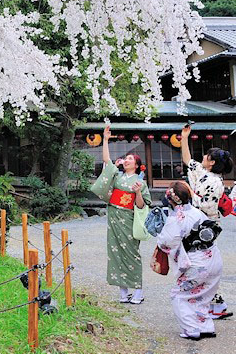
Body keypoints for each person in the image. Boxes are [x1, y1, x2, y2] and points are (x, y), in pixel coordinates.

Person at [155, 181, 223, 341]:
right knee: (203, 295)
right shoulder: (197, 212)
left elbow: (166, 242)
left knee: (179, 295)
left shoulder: (176, 218)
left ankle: (191, 329)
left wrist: (158, 234)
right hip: (213, 258)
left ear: (171, 199)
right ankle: (206, 327)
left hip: (196, 264)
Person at [91, 124, 150, 304]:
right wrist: (106, 139)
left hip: (128, 218)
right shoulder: (117, 176)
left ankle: (138, 290)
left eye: (130, 159)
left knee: (132, 254)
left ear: (137, 165)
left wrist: (138, 192)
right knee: (115, 253)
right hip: (114, 217)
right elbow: (107, 161)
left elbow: (141, 205)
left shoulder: (140, 182)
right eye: (125, 158)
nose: (126, 160)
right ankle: (123, 292)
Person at [180, 122, 233, 318]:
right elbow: (188, 160)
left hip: (204, 229)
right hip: (197, 225)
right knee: (202, 266)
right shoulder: (204, 173)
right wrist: (184, 137)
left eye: (206, 155)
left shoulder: (213, 181)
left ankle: (205, 304)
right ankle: (215, 304)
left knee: (201, 266)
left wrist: (187, 192)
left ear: (211, 162)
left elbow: (205, 206)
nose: (202, 157)